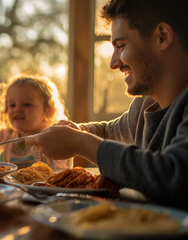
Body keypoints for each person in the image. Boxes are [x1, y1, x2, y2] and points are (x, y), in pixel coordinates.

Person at [26, 0, 188, 209]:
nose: (113, 63)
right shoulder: (144, 106)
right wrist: (74, 131)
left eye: (121, 46)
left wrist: (80, 142)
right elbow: (108, 133)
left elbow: (175, 178)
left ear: (162, 37)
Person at [0, 74, 72, 170]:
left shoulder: (51, 137)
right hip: (12, 190)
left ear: (49, 111)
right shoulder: (6, 135)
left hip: (45, 190)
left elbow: (61, 169)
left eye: (27, 104)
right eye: (12, 105)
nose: (17, 109)